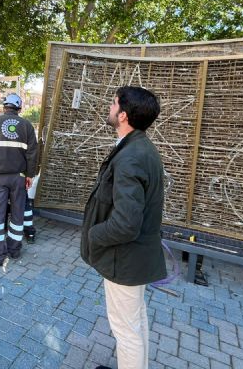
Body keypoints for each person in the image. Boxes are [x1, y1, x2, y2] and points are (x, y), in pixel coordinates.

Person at [81, 86, 166, 369]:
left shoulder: (131, 156)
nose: (109, 107)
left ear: (124, 115)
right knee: (135, 321)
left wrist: (94, 234)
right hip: (136, 257)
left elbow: (126, 224)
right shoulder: (139, 147)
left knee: (126, 331)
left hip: (125, 259)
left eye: (113, 103)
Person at [0, 93, 38, 265]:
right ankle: (14, 250)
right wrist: (30, 175)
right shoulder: (27, 126)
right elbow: (32, 154)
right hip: (18, 178)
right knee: (17, 215)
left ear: (4, 107)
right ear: (19, 108)